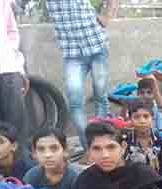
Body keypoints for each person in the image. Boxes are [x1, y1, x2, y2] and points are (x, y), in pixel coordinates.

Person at [46, 0, 118, 150]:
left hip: (97, 46)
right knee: (75, 103)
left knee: (100, 97)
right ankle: (89, 147)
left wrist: (107, 16)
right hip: (72, 54)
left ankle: (102, 142)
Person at [0, 0, 28, 152]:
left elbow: (11, 32)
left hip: (7, 70)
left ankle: (20, 164)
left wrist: (19, 68)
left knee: (16, 128)